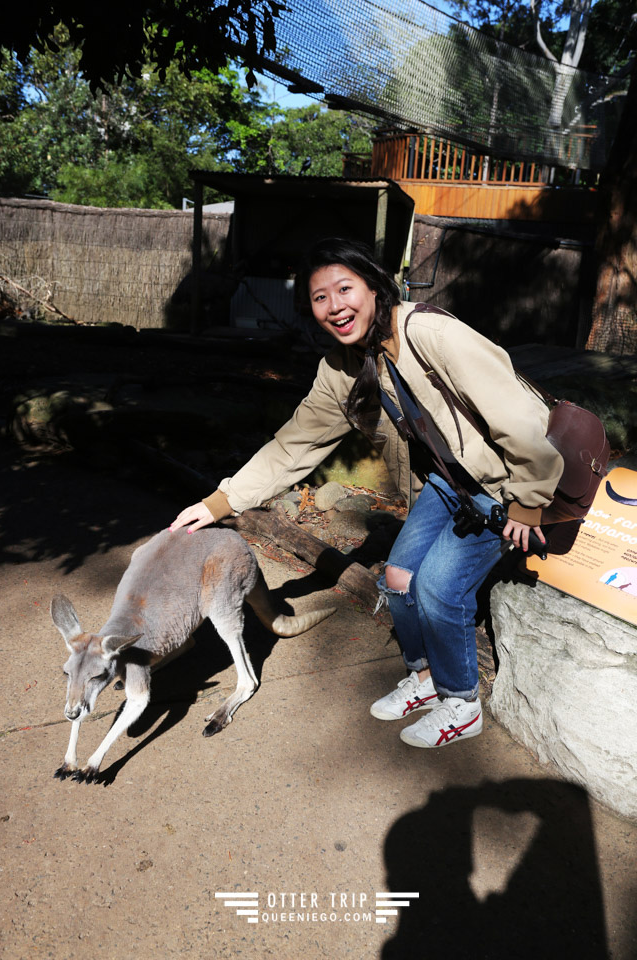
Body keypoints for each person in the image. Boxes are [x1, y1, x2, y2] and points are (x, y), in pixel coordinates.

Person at [170, 238, 562, 749]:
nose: (336, 306)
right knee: (397, 578)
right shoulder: (341, 369)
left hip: (502, 483)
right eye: (319, 298)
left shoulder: (431, 332)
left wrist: (529, 501)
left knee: (439, 588)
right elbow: (293, 446)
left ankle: (462, 704)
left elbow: (519, 417)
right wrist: (215, 505)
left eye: (345, 288)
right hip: (446, 484)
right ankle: (424, 680)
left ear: (375, 286)